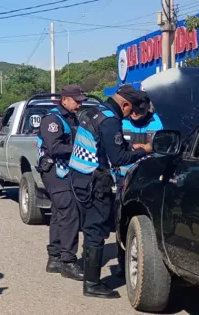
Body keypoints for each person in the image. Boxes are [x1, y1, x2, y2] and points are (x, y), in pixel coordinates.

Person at [68, 84, 152, 299]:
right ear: (124, 103)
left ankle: (90, 278)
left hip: (80, 177)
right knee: (96, 230)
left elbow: (102, 146)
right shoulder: (111, 121)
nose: (131, 115)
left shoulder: (95, 112)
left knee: (90, 228)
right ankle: (92, 284)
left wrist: (126, 149)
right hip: (95, 181)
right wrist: (144, 150)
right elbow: (119, 160)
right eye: (130, 109)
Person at [37, 84, 85, 281]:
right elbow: (55, 148)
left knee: (58, 214)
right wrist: (81, 147)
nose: (79, 104)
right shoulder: (53, 119)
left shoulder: (70, 117)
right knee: (70, 213)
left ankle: (55, 258)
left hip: (64, 172)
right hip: (55, 172)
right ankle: (68, 261)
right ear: (65, 100)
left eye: (81, 100)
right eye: (76, 100)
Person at [113, 95, 163, 278]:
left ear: (147, 108)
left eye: (139, 111)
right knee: (121, 220)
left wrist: (149, 146)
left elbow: (165, 143)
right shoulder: (120, 122)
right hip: (124, 178)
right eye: (132, 109)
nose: (134, 114)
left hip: (150, 178)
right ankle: (122, 260)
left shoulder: (158, 121)